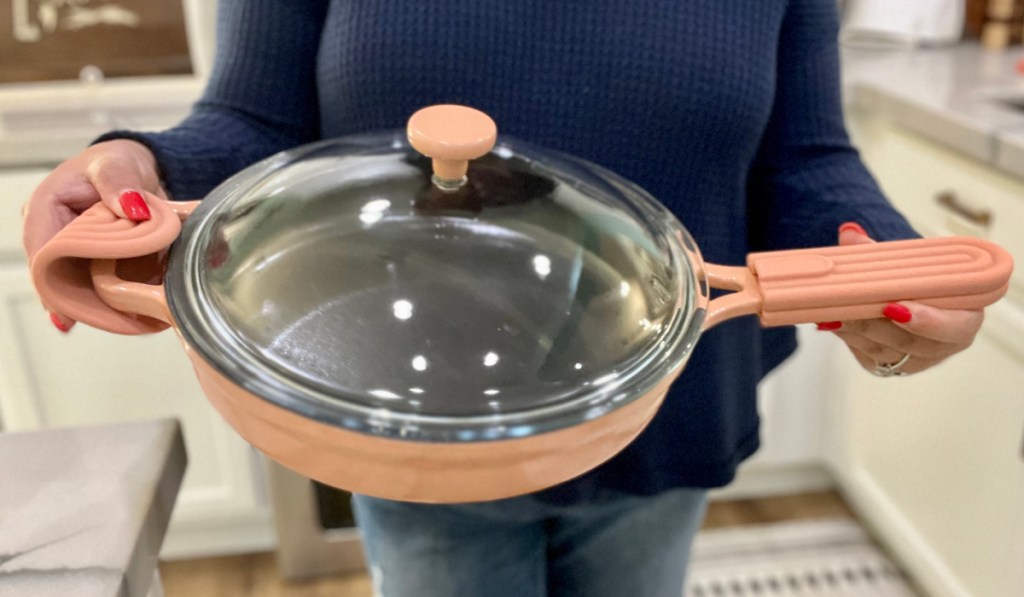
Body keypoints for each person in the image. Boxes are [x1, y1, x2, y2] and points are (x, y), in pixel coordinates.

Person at [21, 1, 984, 595]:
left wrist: (886, 263)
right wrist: (143, 170)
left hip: (665, 403)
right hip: (412, 418)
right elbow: (253, 122)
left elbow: (807, 156)